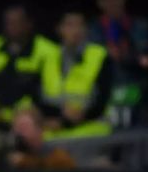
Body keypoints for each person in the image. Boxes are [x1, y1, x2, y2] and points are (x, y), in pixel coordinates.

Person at [0, 5, 60, 125]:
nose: (12, 27)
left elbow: (52, 87)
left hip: (30, 119)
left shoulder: (48, 50)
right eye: (8, 22)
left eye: (17, 22)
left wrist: (23, 110)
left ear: (28, 24)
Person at [88, 0, 148, 128]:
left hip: (136, 99)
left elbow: (146, 61)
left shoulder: (141, 27)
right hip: (104, 101)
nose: (111, 3)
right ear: (99, 2)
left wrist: (124, 56)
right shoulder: (93, 31)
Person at [42, 9, 113, 139]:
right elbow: (40, 98)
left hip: (90, 132)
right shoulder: (48, 58)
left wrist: (73, 118)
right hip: (54, 133)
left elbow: (102, 101)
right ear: (59, 29)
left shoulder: (99, 55)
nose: (76, 30)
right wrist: (59, 116)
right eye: (70, 25)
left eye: (80, 25)